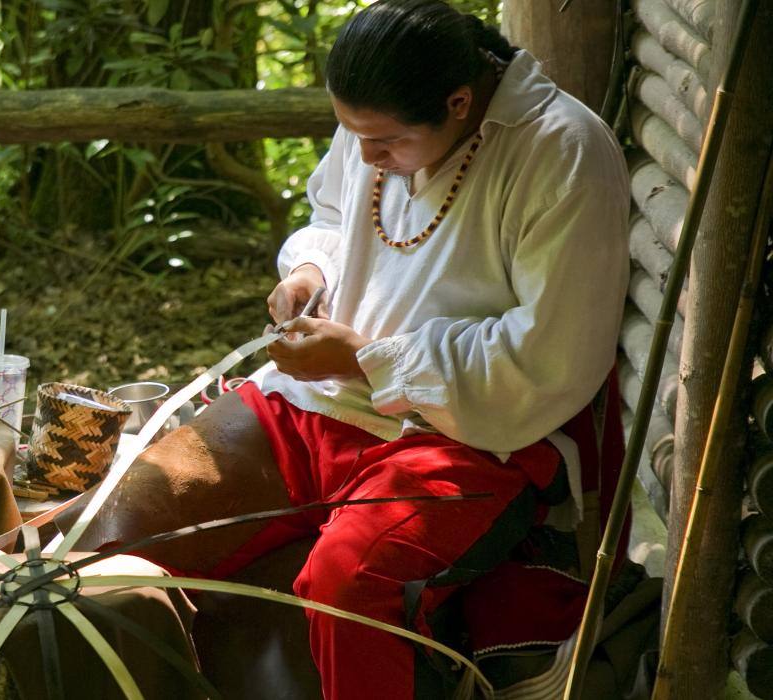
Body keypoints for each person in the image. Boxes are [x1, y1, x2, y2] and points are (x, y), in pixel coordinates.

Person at [72, 1, 631, 697]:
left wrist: (368, 359)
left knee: (346, 580)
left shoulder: (564, 150)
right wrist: (311, 270)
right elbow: (333, 216)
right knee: (115, 531)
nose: (365, 157)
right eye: (352, 133)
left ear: (459, 103)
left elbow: (547, 357)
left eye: (385, 142)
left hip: (468, 432)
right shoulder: (378, 127)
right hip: (314, 400)